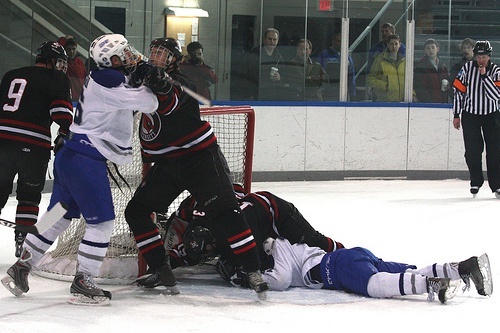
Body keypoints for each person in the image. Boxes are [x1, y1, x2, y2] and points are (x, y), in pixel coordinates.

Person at [2, 34, 159, 305]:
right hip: (86, 159)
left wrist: (137, 77)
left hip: (72, 156)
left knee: (57, 217)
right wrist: (149, 80)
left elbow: (126, 92)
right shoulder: (109, 80)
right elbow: (150, 104)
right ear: (111, 59)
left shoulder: (104, 77)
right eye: (125, 53)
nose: (130, 56)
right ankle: (84, 279)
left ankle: (22, 267)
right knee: (103, 222)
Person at [124, 37, 269, 299]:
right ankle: (161, 268)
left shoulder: (182, 82)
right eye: (154, 52)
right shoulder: (144, 80)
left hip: (200, 158)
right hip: (168, 164)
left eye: (163, 53)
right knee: (136, 211)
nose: (157, 56)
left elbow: (168, 99)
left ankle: (253, 270)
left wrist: (156, 78)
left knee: (226, 213)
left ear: (174, 60)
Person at [221, 237, 493, 304]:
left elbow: (279, 281)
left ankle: (432, 284)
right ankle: (461, 268)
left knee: (375, 286)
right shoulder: (288, 244)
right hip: (351, 257)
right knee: (408, 271)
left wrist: (249, 279)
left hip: (338, 268)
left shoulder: (278, 247)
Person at [161, 184, 344, 270]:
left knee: (314, 241)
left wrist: (239, 268)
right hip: (236, 202)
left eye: (208, 250)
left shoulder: (236, 231)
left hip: (276, 212)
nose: (209, 254)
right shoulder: (198, 222)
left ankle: (345, 254)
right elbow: (186, 251)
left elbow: (257, 264)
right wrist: (160, 264)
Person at [0, 41, 73, 258]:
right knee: (29, 196)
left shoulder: (10, 74)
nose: (61, 66)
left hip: (2, 143)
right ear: (51, 61)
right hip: (33, 146)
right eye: (59, 61)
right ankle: (22, 241)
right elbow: (62, 116)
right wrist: (64, 132)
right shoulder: (57, 78)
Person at [452, 40, 500, 198]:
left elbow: (495, 96)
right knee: (472, 151)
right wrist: (457, 114)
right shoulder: (467, 68)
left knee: (494, 151)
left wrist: (485, 76)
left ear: (489, 56)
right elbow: (459, 92)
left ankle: (497, 185)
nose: (481, 60)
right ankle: (475, 181)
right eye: (478, 57)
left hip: (492, 115)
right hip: (471, 114)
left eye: (484, 57)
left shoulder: (496, 71)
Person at [367, 34, 409, 102]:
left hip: (402, 102)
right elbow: (370, 79)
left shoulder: (404, 61)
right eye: (391, 44)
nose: (394, 46)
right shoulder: (380, 59)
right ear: (388, 44)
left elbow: (409, 80)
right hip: (384, 102)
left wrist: (412, 94)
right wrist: (385, 86)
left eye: (396, 44)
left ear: (400, 45)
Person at [248, 28, 287, 100]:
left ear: (277, 41)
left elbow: (284, 75)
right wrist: (250, 94)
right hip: (257, 93)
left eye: (274, 39)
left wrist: (279, 77)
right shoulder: (256, 52)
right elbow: (249, 74)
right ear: (264, 39)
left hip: (273, 93)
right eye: (269, 39)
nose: (272, 41)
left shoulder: (278, 56)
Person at [316, 33, 356, 101]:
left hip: (342, 92)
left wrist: (353, 94)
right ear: (333, 42)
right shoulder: (324, 54)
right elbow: (317, 72)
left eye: (342, 41)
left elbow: (351, 77)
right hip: (326, 91)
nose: (340, 43)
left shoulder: (347, 57)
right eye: (338, 41)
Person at [414, 38, 450, 103]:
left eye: (433, 47)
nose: (431, 50)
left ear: (437, 49)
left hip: (442, 103)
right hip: (429, 104)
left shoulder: (443, 66)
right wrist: (430, 102)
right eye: (428, 48)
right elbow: (420, 89)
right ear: (424, 51)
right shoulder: (420, 67)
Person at [58, 35, 87, 102]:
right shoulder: (63, 62)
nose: (71, 52)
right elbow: (57, 47)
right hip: (68, 99)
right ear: (65, 49)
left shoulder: (79, 62)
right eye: (69, 49)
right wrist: (63, 40)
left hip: (80, 99)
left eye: (73, 49)